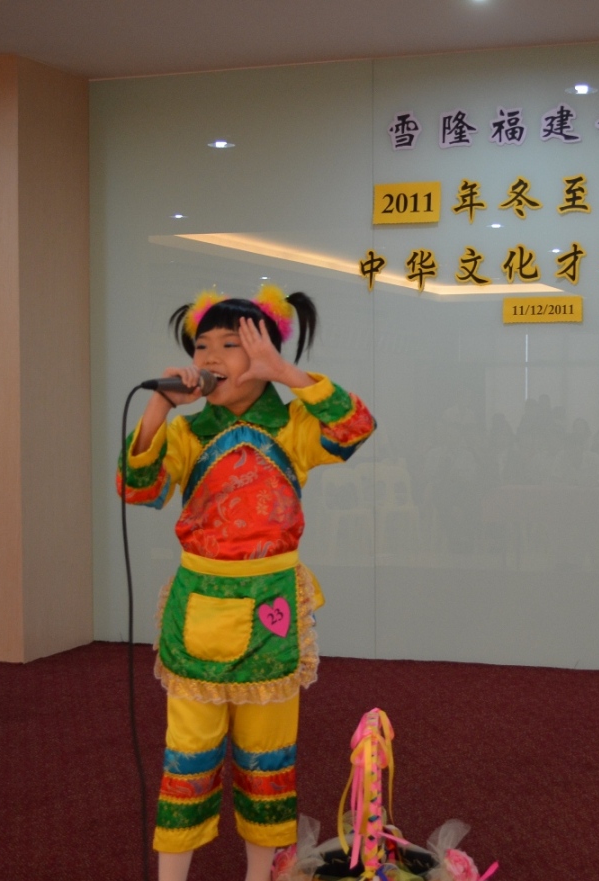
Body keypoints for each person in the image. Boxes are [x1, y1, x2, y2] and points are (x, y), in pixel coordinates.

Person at [118, 285, 375, 881]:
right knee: (188, 758)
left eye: (230, 345)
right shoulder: (188, 433)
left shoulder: (293, 427)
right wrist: (159, 406)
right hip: (199, 612)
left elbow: (355, 427)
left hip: (270, 610)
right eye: (201, 346)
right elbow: (138, 488)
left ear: (264, 355)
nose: (210, 357)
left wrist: (287, 374)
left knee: (267, 758)